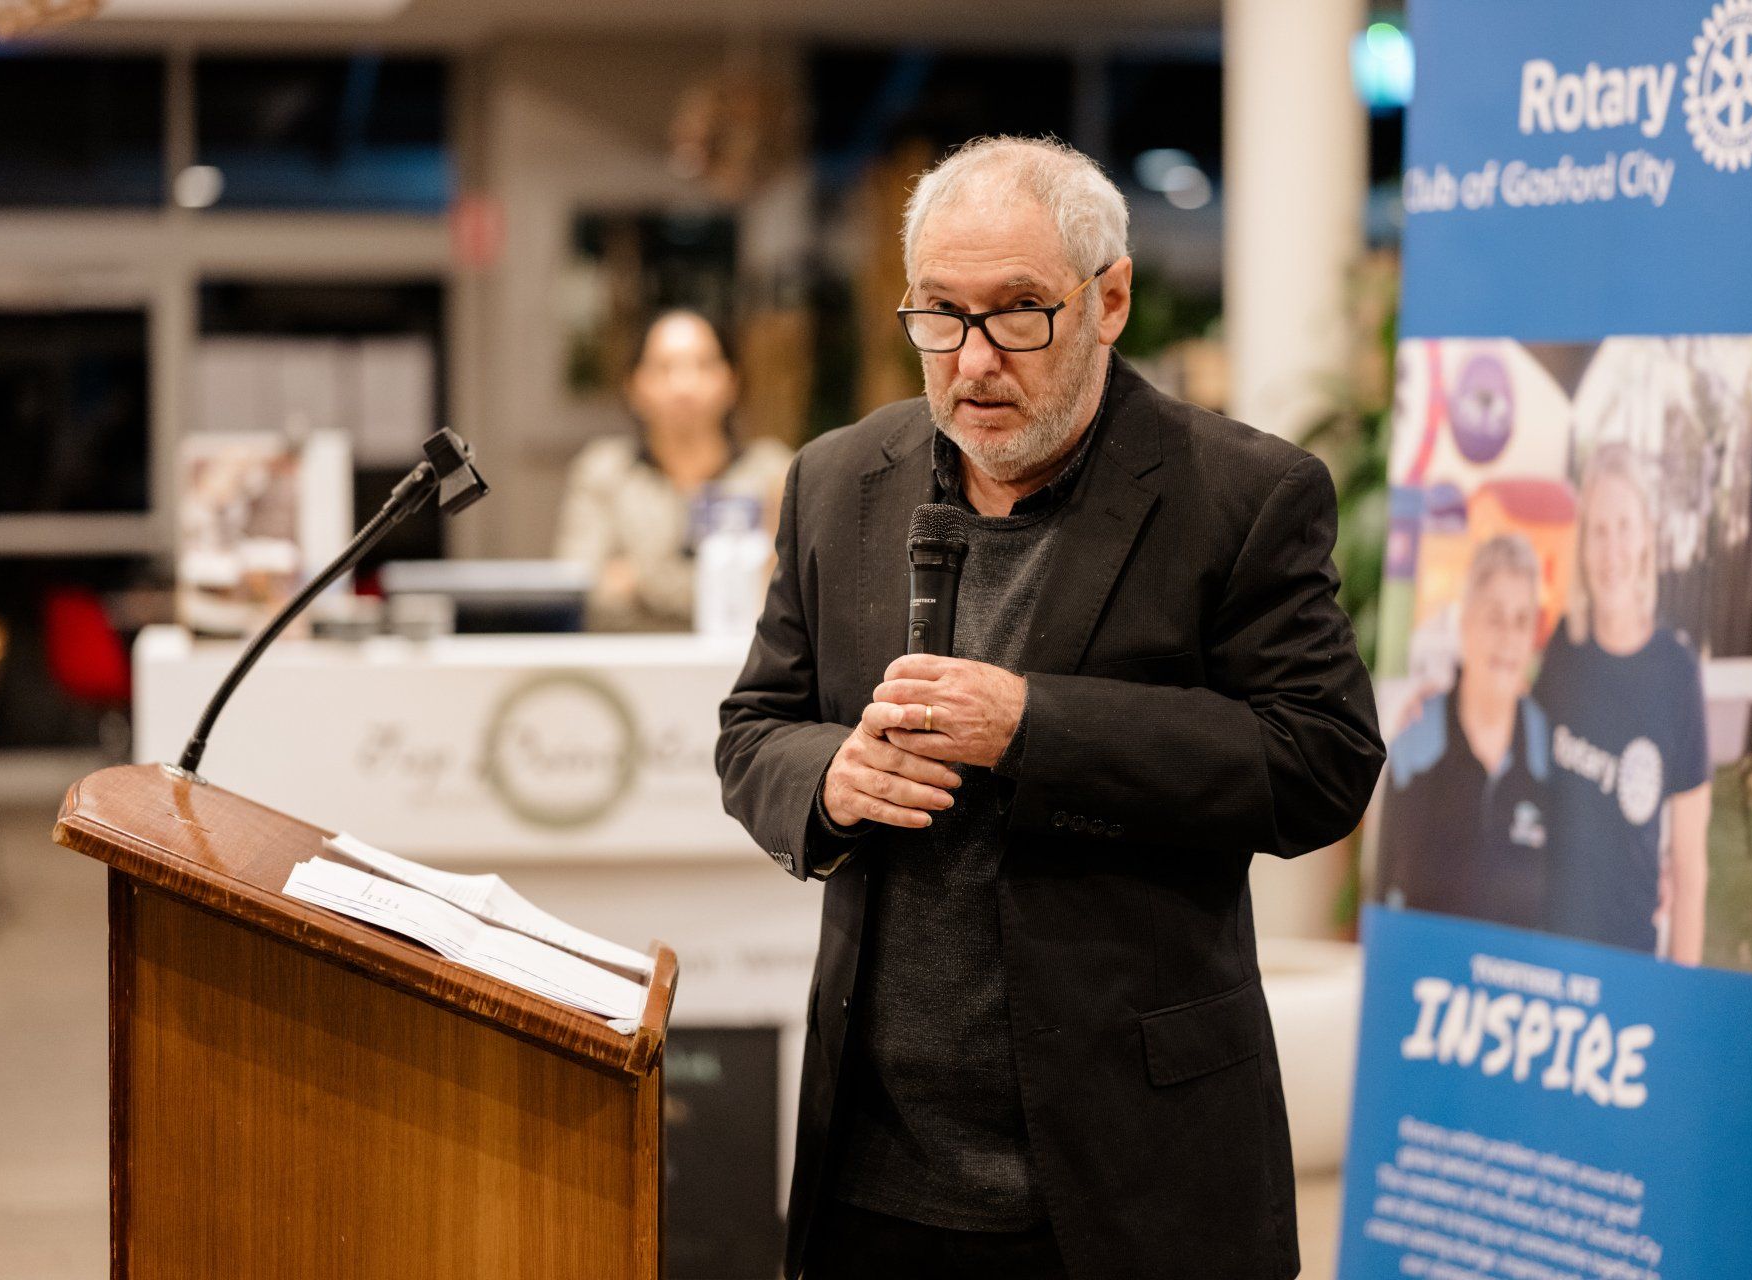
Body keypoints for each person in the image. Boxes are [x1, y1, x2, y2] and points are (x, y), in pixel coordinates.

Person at [716, 136, 1384, 1280]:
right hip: (876, 1170)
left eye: (1020, 312)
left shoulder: (1240, 494)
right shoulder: (837, 480)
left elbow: (1319, 759)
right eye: (939, 314)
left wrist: (1035, 727)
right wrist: (826, 777)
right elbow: (755, 729)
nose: (973, 361)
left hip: (1131, 1173)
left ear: (1109, 297)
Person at [1533, 442, 1711, 963]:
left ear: (1645, 540)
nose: (1612, 550)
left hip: (1630, 956)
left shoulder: (1677, 672)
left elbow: (1690, 862)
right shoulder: (1564, 649)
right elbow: (1518, 762)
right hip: (1546, 948)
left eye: (1625, 526)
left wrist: (1680, 993)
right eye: (1598, 531)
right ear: (1583, 545)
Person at [555, 309, 791, 631]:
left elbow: (783, 599)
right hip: (631, 667)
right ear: (634, 385)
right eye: (664, 368)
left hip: (743, 669)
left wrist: (641, 580)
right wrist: (726, 585)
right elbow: (580, 589)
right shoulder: (605, 472)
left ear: (732, 379)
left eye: (703, 365)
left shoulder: (772, 472)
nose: (684, 385)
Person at [1377, 533, 1551, 930]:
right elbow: (1383, 894)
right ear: (1466, 623)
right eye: (1494, 617)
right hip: (1430, 984)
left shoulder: (1548, 752)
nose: (1508, 637)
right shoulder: (1415, 742)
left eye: (1521, 620)